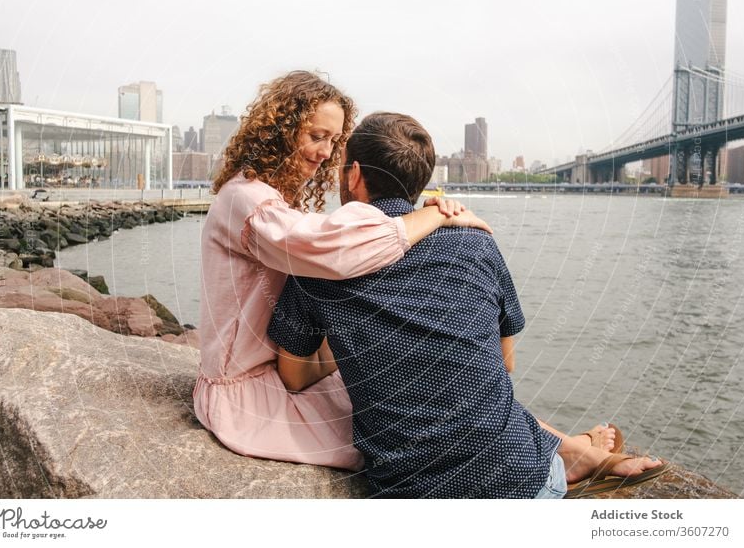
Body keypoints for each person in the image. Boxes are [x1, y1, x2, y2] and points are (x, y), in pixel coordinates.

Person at [268, 112, 668, 498]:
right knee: (480, 389)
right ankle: (573, 452)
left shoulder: (318, 263)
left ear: (354, 175)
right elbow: (504, 362)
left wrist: (355, 334)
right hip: (526, 480)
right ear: (420, 181)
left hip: (411, 495)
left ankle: (576, 451)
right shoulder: (475, 242)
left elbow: (295, 376)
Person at [193, 71, 491, 470]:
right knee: (402, 437)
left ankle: (557, 446)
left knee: (430, 397)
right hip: (244, 396)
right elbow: (334, 250)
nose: (324, 151)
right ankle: (552, 455)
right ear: (280, 130)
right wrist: (433, 216)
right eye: (316, 135)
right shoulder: (246, 200)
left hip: (283, 377)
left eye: (333, 141)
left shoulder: (271, 198)